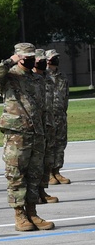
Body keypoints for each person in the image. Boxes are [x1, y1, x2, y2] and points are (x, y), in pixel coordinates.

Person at [0, 43, 54, 232]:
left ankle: (32, 212)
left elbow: (42, 105)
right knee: (16, 174)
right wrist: (9, 61)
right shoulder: (9, 76)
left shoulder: (37, 78)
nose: (31, 60)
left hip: (37, 132)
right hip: (17, 133)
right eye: (27, 57)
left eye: (33, 56)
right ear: (19, 57)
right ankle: (19, 215)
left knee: (34, 175)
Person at [32, 50, 58, 205]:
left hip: (48, 122)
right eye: (38, 60)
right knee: (35, 162)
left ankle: (42, 190)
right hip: (35, 125)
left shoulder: (47, 78)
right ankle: (34, 194)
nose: (41, 63)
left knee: (47, 160)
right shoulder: (28, 79)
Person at [45, 49, 71, 186]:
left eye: (56, 58)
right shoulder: (41, 76)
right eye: (52, 58)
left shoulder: (63, 77)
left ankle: (57, 171)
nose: (54, 60)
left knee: (60, 144)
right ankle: (48, 173)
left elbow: (66, 96)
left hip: (60, 116)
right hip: (47, 116)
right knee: (49, 145)